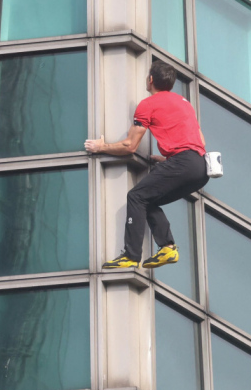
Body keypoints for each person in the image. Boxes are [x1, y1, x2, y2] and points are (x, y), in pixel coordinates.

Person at [84, 59, 208, 269]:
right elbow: (200, 141)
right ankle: (167, 248)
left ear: (150, 80)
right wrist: (170, 159)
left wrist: (101, 147)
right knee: (147, 200)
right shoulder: (184, 103)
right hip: (200, 168)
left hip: (183, 162)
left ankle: (131, 256)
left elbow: (130, 146)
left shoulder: (148, 104)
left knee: (136, 196)